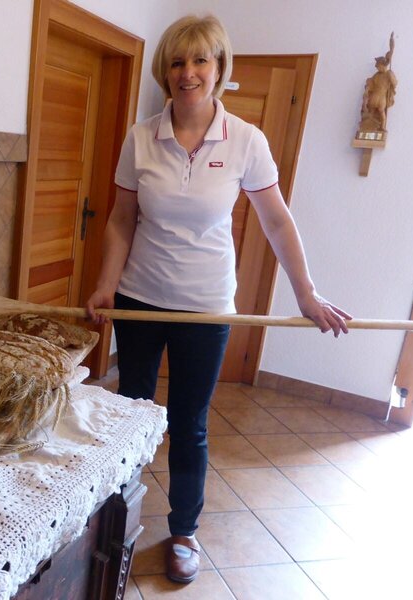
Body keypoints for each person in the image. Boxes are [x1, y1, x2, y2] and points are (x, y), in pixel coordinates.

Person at [85, 15, 351, 585]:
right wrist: (106, 283)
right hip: (139, 300)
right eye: (178, 62)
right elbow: (121, 218)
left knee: (188, 422)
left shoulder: (247, 142)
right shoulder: (141, 138)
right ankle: (113, 518)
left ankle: (184, 531)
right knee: (127, 413)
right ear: (166, 71)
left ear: (219, 68)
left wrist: (306, 293)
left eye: (201, 60)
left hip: (206, 308)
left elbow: (277, 222)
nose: (189, 73)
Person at [358, 32, 397, 133]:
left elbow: (394, 83)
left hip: (382, 97)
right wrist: (367, 89)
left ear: (383, 65)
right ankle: (369, 126)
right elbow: (371, 83)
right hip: (375, 95)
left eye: (378, 66)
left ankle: (382, 127)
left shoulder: (388, 74)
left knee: (381, 112)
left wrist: (392, 79)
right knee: (371, 110)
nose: (377, 68)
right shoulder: (377, 75)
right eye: (377, 66)